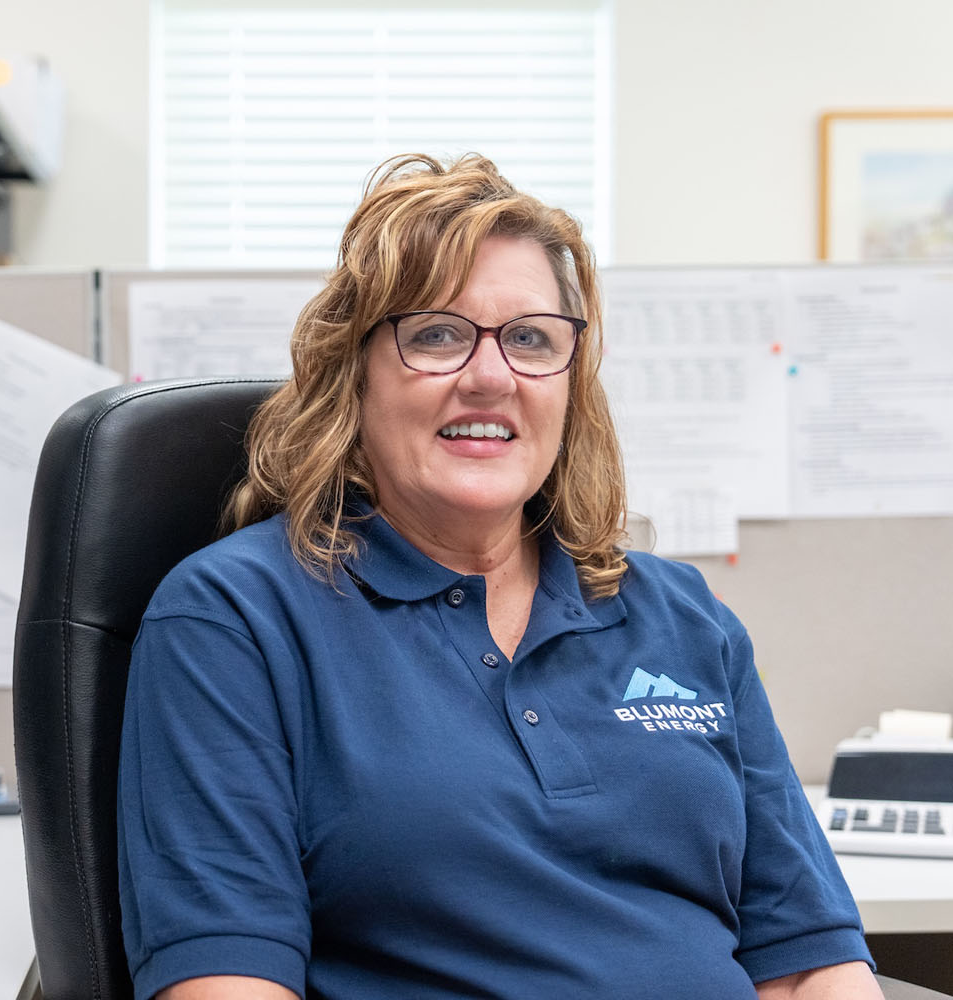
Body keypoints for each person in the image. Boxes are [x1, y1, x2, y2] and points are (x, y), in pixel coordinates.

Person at [115, 153, 881, 1000]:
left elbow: (809, 960)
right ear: (354, 373)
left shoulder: (679, 613)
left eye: (531, 340)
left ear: (569, 383)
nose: (491, 376)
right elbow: (227, 984)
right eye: (436, 335)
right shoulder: (235, 619)